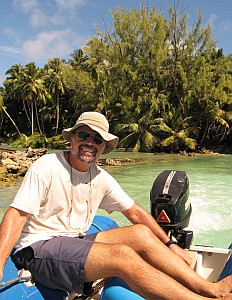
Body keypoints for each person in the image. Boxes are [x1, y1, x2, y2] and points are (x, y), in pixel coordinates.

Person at [0, 111, 231, 300]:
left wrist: (171, 244)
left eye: (97, 139)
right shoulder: (46, 166)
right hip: (39, 247)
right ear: (71, 138)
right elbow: (16, 214)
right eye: (84, 135)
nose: (90, 143)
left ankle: (206, 288)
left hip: (73, 241)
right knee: (122, 255)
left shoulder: (99, 176)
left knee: (141, 233)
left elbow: (135, 212)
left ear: (103, 147)